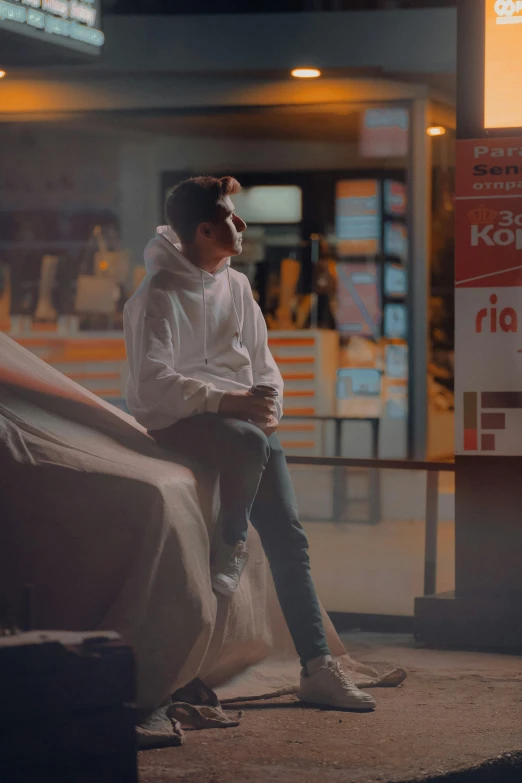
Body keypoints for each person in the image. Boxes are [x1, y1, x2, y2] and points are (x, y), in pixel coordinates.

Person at [123, 176, 375, 712]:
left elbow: (267, 368)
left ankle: (317, 669)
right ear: (204, 228)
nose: (242, 226)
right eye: (231, 218)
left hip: (245, 434)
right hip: (178, 421)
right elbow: (151, 386)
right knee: (244, 442)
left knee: (289, 536)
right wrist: (228, 402)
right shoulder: (158, 293)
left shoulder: (237, 287)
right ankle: (231, 538)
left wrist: (267, 410)